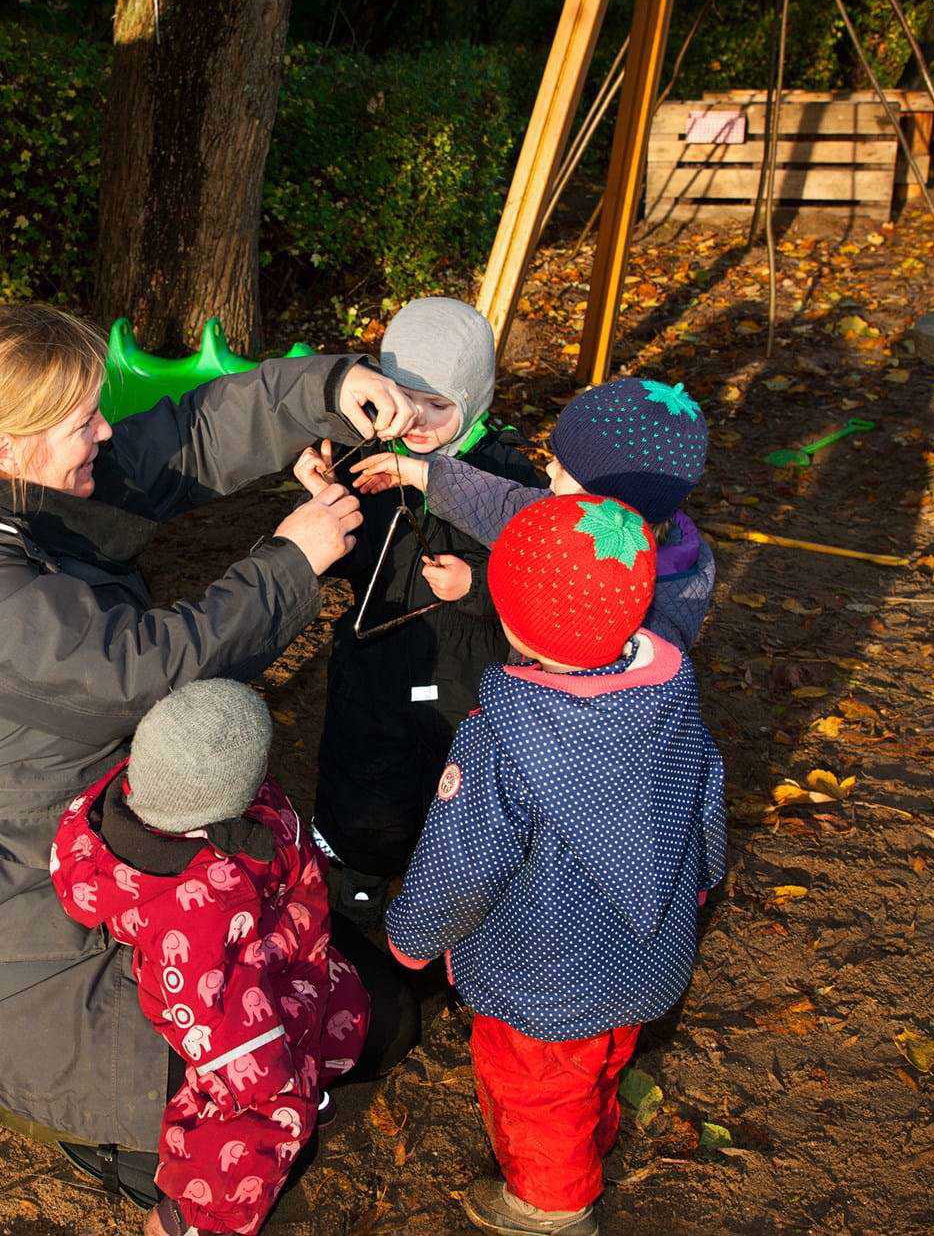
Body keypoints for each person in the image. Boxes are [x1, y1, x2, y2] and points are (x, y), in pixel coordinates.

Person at [0, 302, 423, 1203]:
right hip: (20, 914)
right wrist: (287, 561)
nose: (105, 431)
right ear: (7, 446)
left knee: (381, 1018)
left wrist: (325, 388)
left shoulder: (10, 482)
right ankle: (74, 1113)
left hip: (129, 839)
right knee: (245, 1106)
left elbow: (187, 438)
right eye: (82, 420)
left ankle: (133, 1096)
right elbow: (137, 673)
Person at [383, 493, 726, 1236]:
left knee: (536, 1094)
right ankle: (591, 1137)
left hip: (543, 975)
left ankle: (553, 1205)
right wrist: (699, 884)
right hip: (645, 955)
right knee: (599, 1061)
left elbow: (462, 864)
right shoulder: (672, 693)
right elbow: (706, 798)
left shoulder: (499, 739)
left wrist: (411, 933)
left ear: (511, 622)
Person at [51, 680, 394, 1236]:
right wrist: (281, 1095)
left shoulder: (111, 801)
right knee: (273, 1091)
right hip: (261, 979)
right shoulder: (200, 915)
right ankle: (190, 1219)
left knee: (346, 1013)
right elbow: (234, 1052)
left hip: (279, 939)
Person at [287, 297, 544, 929]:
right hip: (375, 668)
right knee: (367, 789)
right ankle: (360, 892)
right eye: (404, 401)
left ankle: (455, 921)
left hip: (467, 680)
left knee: (457, 798)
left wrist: (476, 585)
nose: (418, 422)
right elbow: (350, 558)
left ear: (476, 398)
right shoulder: (369, 456)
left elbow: (544, 582)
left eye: (440, 407)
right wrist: (326, 501)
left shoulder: (508, 478)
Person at [352, 375, 715, 653]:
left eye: (566, 468)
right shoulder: (580, 519)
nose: (550, 470)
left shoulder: (647, 620)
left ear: (611, 499)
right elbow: (505, 506)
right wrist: (425, 474)